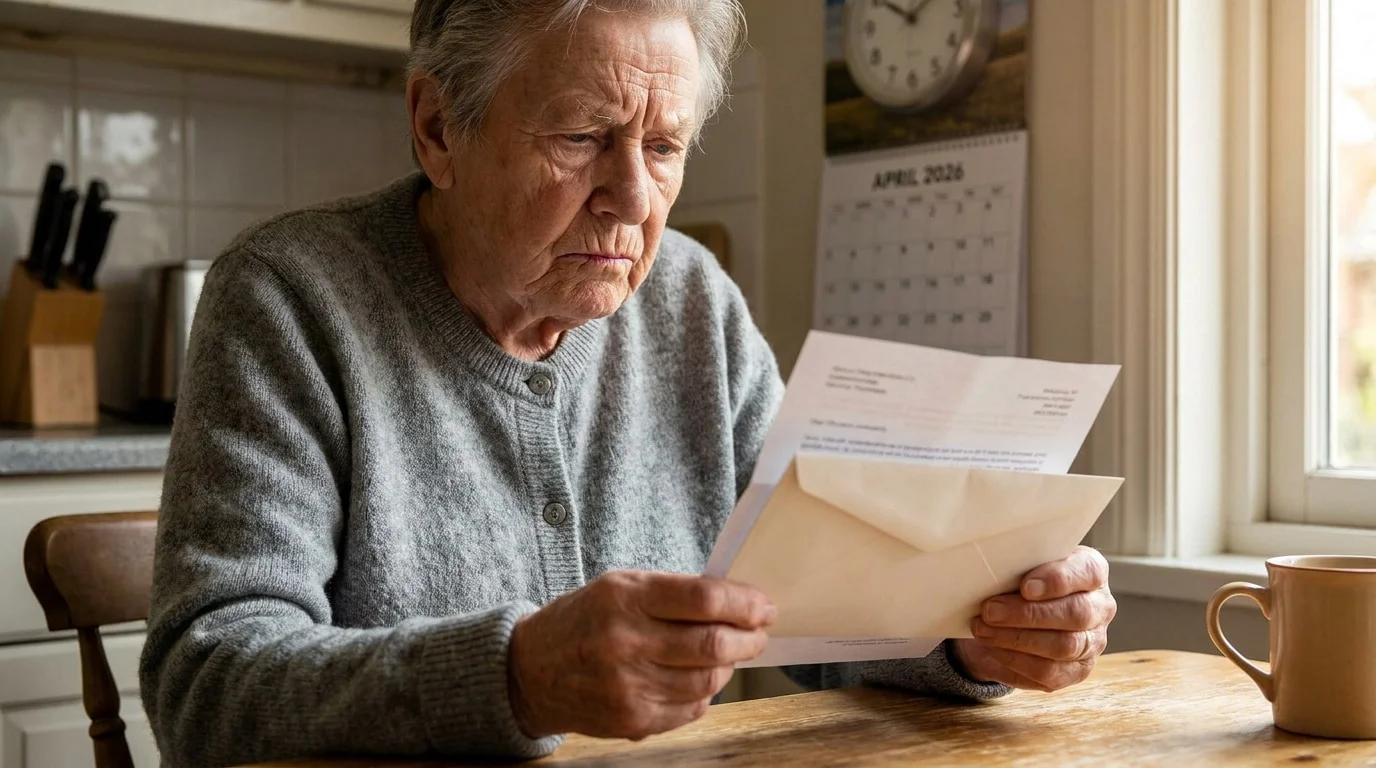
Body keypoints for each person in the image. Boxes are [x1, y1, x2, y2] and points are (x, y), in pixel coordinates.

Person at [138, 1, 1117, 765]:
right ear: (437, 127)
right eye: (578, 138)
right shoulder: (291, 298)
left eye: (662, 146)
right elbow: (207, 690)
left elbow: (814, 610)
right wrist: (518, 677)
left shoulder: (691, 300)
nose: (635, 200)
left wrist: (973, 637)